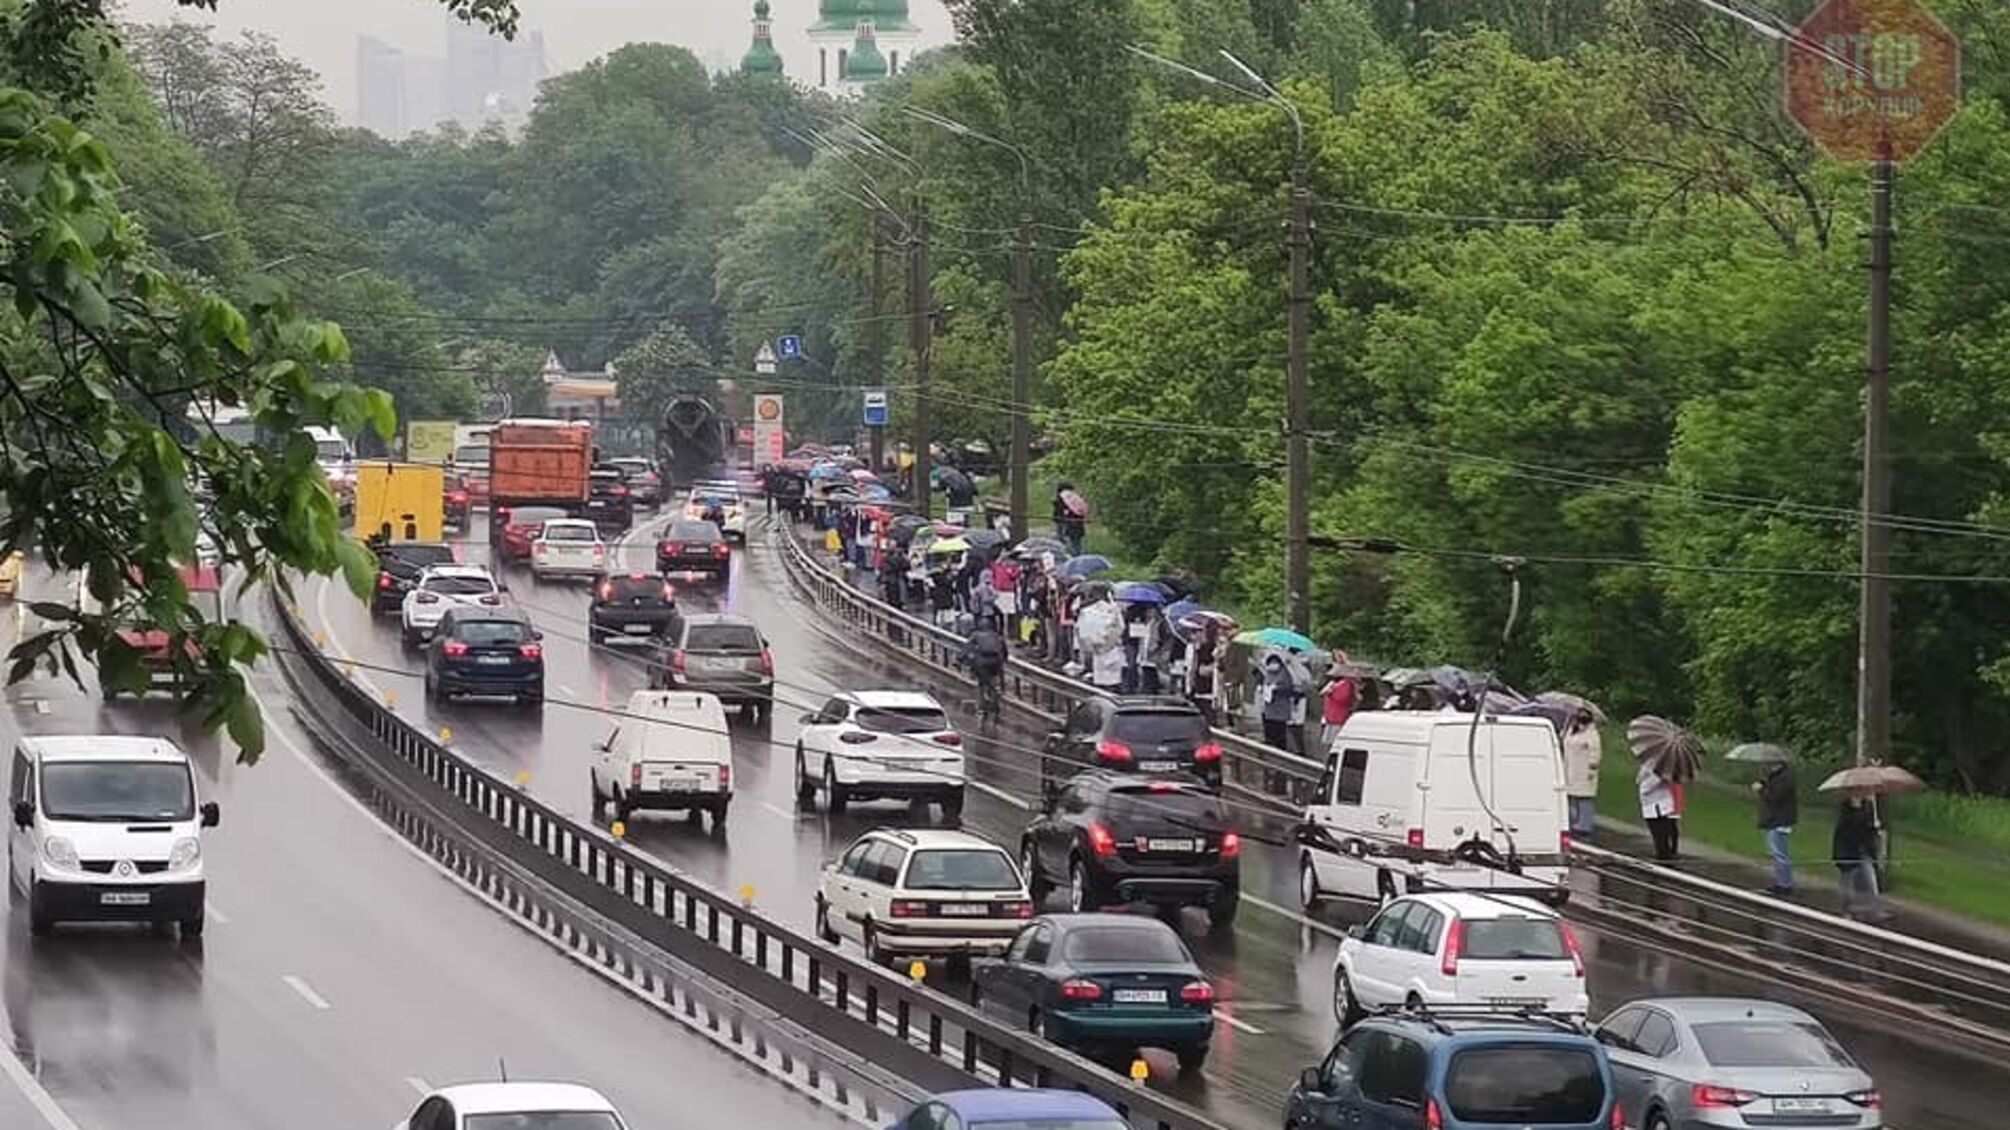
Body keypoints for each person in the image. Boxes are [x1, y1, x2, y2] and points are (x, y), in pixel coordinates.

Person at [1833, 792, 1886, 920]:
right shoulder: (1845, 811)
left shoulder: (1868, 806)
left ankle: (1873, 910)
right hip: (1847, 853)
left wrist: (1875, 828)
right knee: (1847, 886)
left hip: (1863, 852)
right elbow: (1848, 831)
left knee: (1871, 883)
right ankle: (1845, 910)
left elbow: (1867, 832)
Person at [1753, 759, 1798, 895]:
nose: (1768, 766)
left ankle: (1785, 884)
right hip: (1775, 820)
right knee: (1776, 853)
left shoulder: (1784, 779)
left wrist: (1761, 790)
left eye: (1771, 764)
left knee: (1779, 853)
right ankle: (1782, 882)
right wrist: (1764, 784)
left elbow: (1774, 798)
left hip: (1779, 821)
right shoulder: (1777, 778)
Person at [1562, 711, 1603, 839]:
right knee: (1572, 797)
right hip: (1571, 767)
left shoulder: (1592, 734)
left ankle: (1585, 825)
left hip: (1584, 771)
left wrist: (1591, 771)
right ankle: (1575, 822)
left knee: (1584, 798)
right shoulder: (1571, 730)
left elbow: (1595, 753)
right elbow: (1566, 743)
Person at [958, 621, 1008, 720]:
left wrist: (959, 659)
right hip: (996, 662)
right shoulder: (997, 636)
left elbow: (967, 648)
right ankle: (995, 693)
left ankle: (982, 708)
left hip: (983, 663)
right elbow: (1005, 651)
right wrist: (1003, 660)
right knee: (993, 678)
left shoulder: (976, 635)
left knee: (981, 684)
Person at [1638, 764, 1680, 861]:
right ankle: (1664, 854)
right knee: (1658, 835)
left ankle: (1665, 855)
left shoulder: (1665, 770)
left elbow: (1646, 788)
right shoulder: (1647, 768)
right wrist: (1658, 777)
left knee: (1662, 834)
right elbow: (1643, 786)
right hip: (1651, 807)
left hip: (1659, 808)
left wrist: (1662, 777)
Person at [1318, 654, 1359, 751]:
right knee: (1328, 742)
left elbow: (1343, 698)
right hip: (1330, 716)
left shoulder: (1347, 683)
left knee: (1334, 742)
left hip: (1338, 717)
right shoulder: (1335, 683)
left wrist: (1331, 693)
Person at [1260, 654, 1298, 751]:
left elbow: (1288, 687)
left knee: (1280, 729)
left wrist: (1276, 688)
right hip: (1269, 705)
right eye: (1271, 663)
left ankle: (1280, 747)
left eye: (1275, 663)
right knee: (1270, 726)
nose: (1273, 665)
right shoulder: (1268, 673)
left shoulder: (1284, 673)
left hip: (1281, 706)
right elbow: (1265, 683)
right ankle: (1270, 742)